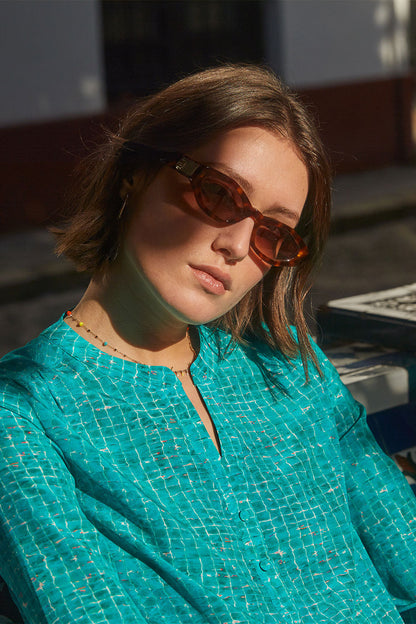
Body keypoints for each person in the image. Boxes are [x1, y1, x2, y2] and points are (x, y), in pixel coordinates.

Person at [0, 64, 415, 624]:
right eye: (219, 194)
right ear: (135, 173)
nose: (238, 245)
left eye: (273, 232)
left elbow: (405, 550)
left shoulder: (289, 365)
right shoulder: (24, 412)